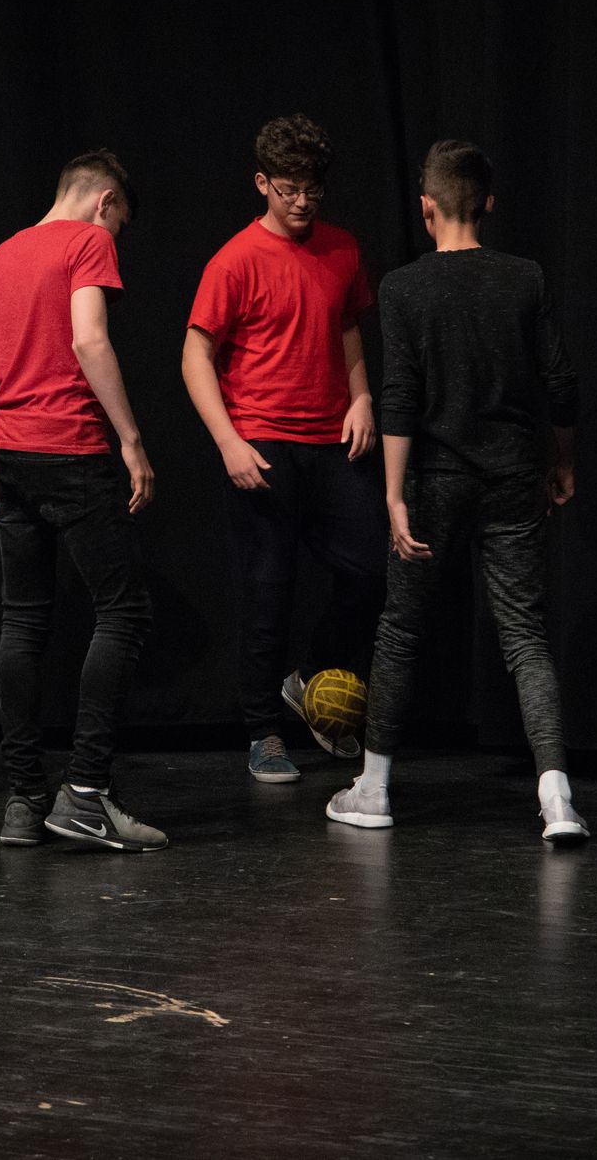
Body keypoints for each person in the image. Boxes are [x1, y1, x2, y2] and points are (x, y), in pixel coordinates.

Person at [324, 141, 587, 843]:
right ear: (489, 203)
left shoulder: (404, 287)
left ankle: (373, 789)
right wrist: (562, 460)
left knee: (401, 629)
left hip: (435, 481)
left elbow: (400, 396)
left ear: (426, 207)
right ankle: (558, 800)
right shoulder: (524, 277)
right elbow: (561, 381)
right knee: (525, 636)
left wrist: (393, 495)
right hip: (512, 478)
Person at [0, 151, 166, 852]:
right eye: (118, 224)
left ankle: (23, 799)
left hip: (9, 455)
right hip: (71, 450)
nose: (114, 239)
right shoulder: (87, 240)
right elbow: (89, 339)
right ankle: (86, 792)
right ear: (104, 202)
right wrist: (131, 439)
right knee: (124, 610)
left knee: (24, 619)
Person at [183, 114, 383, 783]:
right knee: (268, 589)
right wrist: (229, 442)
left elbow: (348, 327)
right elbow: (195, 355)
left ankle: (309, 678)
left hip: (331, 440)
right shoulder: (235, 259)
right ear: (262, 183)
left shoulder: (341, 248)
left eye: (312, 190)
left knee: (371, 571)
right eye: (289, 189)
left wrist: (362, 397)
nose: (302, 201)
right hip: (262, 441)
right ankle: (263, 732)